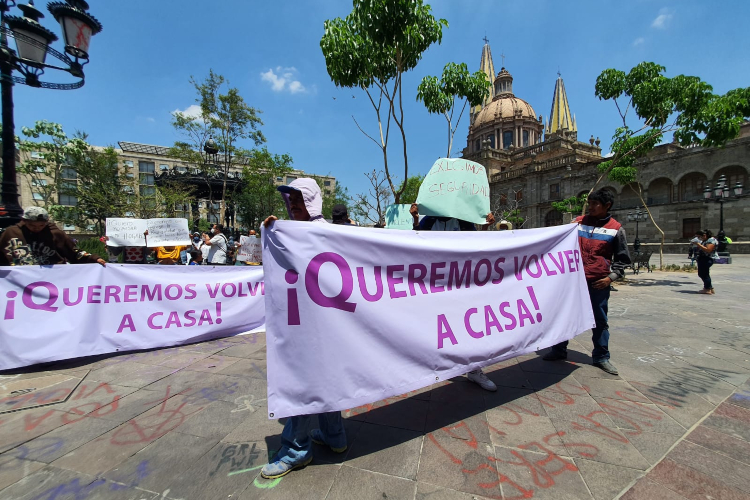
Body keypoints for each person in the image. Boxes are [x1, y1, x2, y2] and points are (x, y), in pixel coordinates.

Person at [260, 178, 347, 479]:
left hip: (317, 324)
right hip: (319, 322)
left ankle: (297, 449)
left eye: (299, 199)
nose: (293, 205)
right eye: (290, 200)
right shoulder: (293, 232)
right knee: (327, 380)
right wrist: (273, 231)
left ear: (312, 201)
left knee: (301, 383)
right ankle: (334, 437)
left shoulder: (324, 232)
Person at [410, 202, 498, 392]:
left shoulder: (463, 220)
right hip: (434, 284)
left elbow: (477, 245)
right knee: (436, 326)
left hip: (461, 283)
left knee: (470, 325)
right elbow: (414, 242)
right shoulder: (429, 220)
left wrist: (485, 226)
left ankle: (474, 370)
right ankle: (434, 365)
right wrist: (416, 219)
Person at [542, 189, 631, 375]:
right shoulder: (578, 223)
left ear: (607, 206)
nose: (590, 207)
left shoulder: (616, 229)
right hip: (572, 281)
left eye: (594, 204)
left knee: (599, 320)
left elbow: (622, 260)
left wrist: (610, 278)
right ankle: (558, 350)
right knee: (564, 315)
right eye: (589, 203)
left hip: (598, 283)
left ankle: (601, 357)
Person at [0, 207, 106, 267]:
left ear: (46, 223)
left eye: (41, 225)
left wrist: (94, 258)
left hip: (51, 277)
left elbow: (74, 252)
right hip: (20, 279)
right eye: (32, 225)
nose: (36, 228)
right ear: (24, 221)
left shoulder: (55, 234)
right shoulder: (11, 233)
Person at [693, 229, 718, 294]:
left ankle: (707, 289)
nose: (698, 238)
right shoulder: (706, 240)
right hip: (703, 258)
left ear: (704, 235)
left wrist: (698, 244)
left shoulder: (711, 240)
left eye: (699, 237)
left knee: (704, 274)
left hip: (707, 259)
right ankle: (710, 287)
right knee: (703, 274)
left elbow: (708, 250)